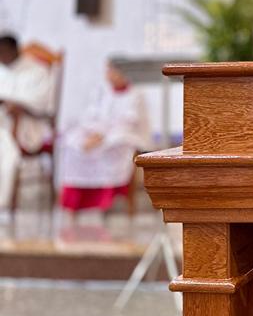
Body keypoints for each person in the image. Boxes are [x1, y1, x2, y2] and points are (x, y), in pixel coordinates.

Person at [59, 61, 151, 213]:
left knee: (114, 143)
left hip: (124, 133)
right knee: (72, 142)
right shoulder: (101, 91)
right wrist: (94, 134)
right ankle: (76, 202)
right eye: (108, 71)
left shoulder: (136, 94)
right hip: (97, 132)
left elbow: (129, 121)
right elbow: (90, 116)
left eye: (114, 71)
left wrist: (102, 135)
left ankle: (106, 200)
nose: (110, 75)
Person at [0, 34, 54, 209]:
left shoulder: (38, 71)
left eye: (3, 52)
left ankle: (3, 201)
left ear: (14, 50)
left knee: (5, 147)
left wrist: (16, 105)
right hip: (3, 122)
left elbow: (43, 105)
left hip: (28, 126)